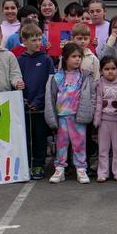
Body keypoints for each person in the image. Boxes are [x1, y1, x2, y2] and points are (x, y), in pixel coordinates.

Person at [44, 43, 95, 185]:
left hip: (77, 116)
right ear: (65, 58)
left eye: (79, 56)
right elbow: (52, 97)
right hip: (62, 116)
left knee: (79, 143)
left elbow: (91, 95)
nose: (77, 59)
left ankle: (81, 168)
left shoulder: (84, 76)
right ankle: (60, 168)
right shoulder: (57, 77)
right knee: (61, 143)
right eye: (73, 56)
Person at [15, 23, 54, 180]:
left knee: (40, 137)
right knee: (26, 137)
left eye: (39, 39)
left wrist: (37, 101)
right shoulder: (19, 60)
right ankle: (27, 164)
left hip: (40, 108)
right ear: (24, 41)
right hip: (23, 106)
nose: (38, 43)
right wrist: (23, 98)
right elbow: (16, 80)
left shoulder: (46, 60)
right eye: (34, 40)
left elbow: (48, 84)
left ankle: (39, 164)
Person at [93, 56, 117, 183]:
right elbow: (98, 102)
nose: (110, 71)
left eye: (113, 68)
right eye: (106, 69)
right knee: (103, 148)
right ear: (101, 71)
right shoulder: (99, 83)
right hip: (104, 121)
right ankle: (102, 172)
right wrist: (97, 119)